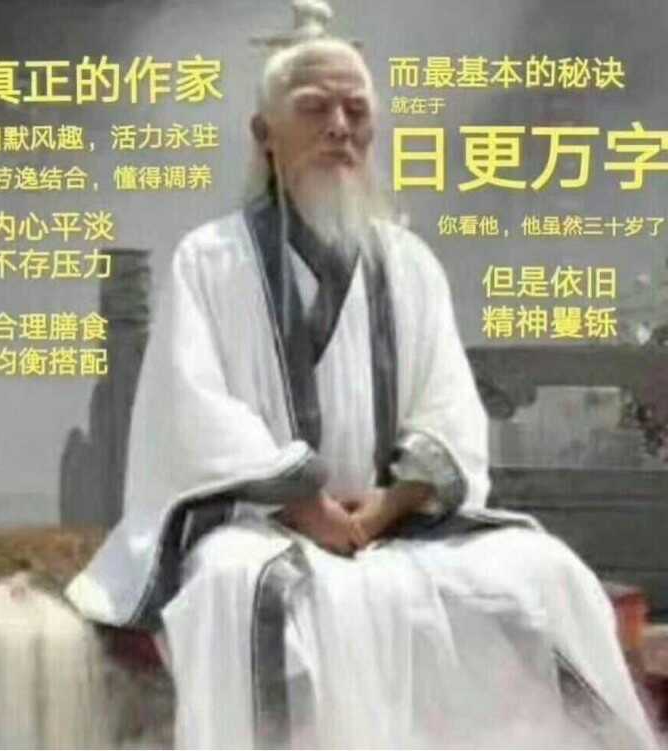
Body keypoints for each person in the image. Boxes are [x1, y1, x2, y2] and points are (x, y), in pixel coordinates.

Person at [66, 2, 656, 747]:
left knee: (543, 574)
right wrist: (302, 499)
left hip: (395, 523)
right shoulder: (210, 262)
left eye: (356, 110)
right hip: (261, 526)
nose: (339, 127)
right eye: (315, 109)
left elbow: (447, 407)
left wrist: (386, 506)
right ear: (265, 135)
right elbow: (195, 410)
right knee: (243, 595)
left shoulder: (408, 264)